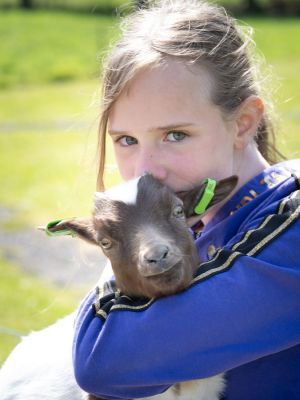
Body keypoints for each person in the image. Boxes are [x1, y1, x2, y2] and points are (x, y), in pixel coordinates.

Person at [72, 1, 300, 399]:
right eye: (127, 140)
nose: (146, 169)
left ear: (243, 123)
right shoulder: (194, 226)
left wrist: (125, 233)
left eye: (175, 134)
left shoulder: (292, 223)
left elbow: (102, 360)